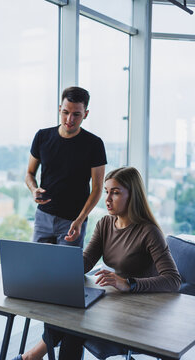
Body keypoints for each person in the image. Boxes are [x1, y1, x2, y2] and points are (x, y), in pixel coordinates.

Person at [13, 167, 181, 360]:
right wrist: (59, 262)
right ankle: (32, 356)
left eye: (115, 193)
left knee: (74, 326)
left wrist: (128, 284)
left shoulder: (149, 232)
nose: (107, 199)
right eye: (107, 192)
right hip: (116, 305)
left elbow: (173, 280)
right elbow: (87, 261)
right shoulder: (105, 224)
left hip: (141, 314)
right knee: (68, 318)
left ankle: (31, 357)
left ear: (133, 195)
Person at [25, 86, 107, 247]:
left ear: (86, 114)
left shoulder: (94, 144)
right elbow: (29, 173)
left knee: (66, 272)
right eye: (66, 112)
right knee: (37, 269)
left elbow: (97, 189)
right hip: (43, 217)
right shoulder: (42, 136)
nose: (70, 119)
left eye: (76, 114)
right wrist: (34, 189)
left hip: (73, 221)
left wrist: (80, 220)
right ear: (59, 109)